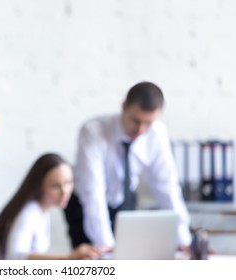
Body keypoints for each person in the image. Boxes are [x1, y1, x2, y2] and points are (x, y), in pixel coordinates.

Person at [64, 81, 192, 251]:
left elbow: (167, 188)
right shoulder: (93, 131)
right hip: (85, 207)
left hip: (125, 202)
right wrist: (107, 247)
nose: (140, 129)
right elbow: (93, 193)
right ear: (124, 107)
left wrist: (184, 240)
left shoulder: (157, 134)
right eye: (136, 121)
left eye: (148, 123)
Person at [0, 153, 104, 260]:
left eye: (68, 182)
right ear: (40, 186)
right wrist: (68, 259)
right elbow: (15, 256)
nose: (65, 191)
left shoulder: (42, 211)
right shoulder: (29, 212)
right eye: (55, 186)